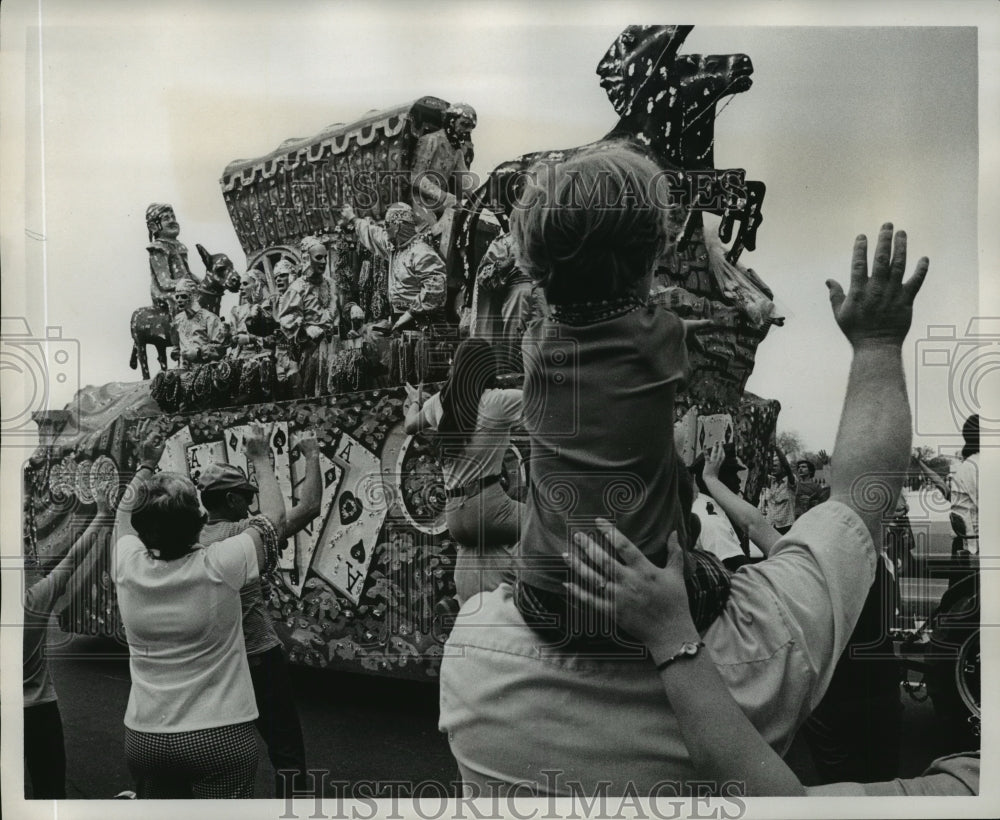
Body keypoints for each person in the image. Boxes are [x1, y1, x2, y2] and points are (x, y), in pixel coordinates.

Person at [439, 221, 928, 793]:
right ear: (682, 496)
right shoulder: (762, 645)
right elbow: (858, 500)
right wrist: (878, 345)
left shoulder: (471, 652)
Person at [562, 520, 977, 796]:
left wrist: (670, 634)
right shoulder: (866, 569)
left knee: (839, 774)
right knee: (874, 775)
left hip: (838, 705)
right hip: (879, 696)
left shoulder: (802, 601)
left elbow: (757, 525)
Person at [501, 144, 720, 646]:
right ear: (647, 259)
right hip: (634, 604)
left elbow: (599, 336)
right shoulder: (663, 336)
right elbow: (656, 348)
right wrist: (673, 324)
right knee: (716, 567)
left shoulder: (535, 341)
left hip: (543, 597)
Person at [700, 443, 903, 783]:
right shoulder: (882, 563)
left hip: (835, 696)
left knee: (836, 787)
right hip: (882, 690)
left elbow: (752, 522)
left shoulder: (818, 565)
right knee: (882, 784)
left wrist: (709, 479)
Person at [113, 425, 286, 798]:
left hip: (146, 737)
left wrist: (145, 464)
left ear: (143, 531)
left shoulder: (127, 564)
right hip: (220, 733)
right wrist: (259, 456)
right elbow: (274, 518)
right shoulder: (222, 564)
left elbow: (123, 515)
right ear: (201, 520)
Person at [196, 435, 322, 798]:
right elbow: (305, 508)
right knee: (286, 752)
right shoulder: (244, 535)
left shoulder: (190, 539)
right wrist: (276, 458)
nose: (251, 503)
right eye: (247, 497)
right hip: (258, 658)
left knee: (218, 752)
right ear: (233, 500)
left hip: (215, 662)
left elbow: (306, 510)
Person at [404, 338, 523, 604]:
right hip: (489, 506)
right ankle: (529, 599)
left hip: (455, 516)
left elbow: (410, 425)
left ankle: (461, 600)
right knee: (546, 523)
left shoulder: (438, 403)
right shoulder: (498, 402)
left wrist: (414, 401)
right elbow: (547, 402)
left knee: (485, 547)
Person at [23, 492, 114, 799]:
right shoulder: (34, 600)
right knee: (50, 792)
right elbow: (74, 557)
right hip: (39, 710)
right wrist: (101, 514)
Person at [341, 202, 447, 333]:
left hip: (421, 323)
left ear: (397, 227)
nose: (384, 229)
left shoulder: (421, 252)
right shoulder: (395, 249)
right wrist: (353, 218)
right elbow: (373, 234)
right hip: (399, 322)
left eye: (387, 225)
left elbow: (435, 288)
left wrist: (410, 314)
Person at [277, 236, 337, 395]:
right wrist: (305, 328)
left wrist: (352, 308)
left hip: (335, 346)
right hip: (311, 350)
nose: (323, 262)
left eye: (325, 257)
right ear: (307, 258)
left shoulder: (331, 284)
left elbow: (341, 306)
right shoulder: (297, 288)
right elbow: (286, 319)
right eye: (319, 257)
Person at [410, 102, 477, 233]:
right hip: (419, 201)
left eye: (470, 127)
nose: (466, 131)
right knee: (434, 232)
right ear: (451, 121)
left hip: (439, 203)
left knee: (460, 224)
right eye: (463, 124)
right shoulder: (431, 140)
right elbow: (415, 178)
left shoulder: (457, 152)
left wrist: (483, 199)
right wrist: (443, 196)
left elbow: (465, 184)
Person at [917, 414, 979, 555]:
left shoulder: (968, 466)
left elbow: (945, 490)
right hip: (976, 548)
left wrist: (921, 464)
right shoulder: (978, 466)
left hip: (963, 544)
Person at [145, 202, 197, 316]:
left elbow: (188, 274)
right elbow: (164, 282)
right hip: (165, 293)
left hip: (184, 287)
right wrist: (183, 283)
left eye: (173, 217)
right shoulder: (158, 248)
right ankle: (180, 330)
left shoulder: (179, 246)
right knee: (181, 301)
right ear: (154, 226)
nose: (172, 221)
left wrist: (202, 283)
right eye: (166, 218)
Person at [173, 278, 228, 366]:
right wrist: (176, 352)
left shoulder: (209, 318)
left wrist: (199, 353)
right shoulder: (178, 319)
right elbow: (177, 345)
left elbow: (219, 348)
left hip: (204, 369)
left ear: (194, 296)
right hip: (184, 369)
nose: (179, 300)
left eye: (183, 296)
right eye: (177, 296)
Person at [758, 447, 796, 533]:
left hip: (786, 526)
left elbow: (787, 467)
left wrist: (776, 448)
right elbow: (761, 468)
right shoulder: (771, 481)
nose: (772, 468)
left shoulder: (790, 482)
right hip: (770, 525)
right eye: (772, 466)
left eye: (775, 466)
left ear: (782, 467)